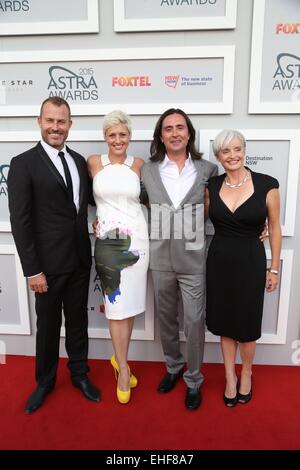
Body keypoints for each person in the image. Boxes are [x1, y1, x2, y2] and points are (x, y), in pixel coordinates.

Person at [7, 96, 100, 414]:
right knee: (47, 325)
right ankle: (45, 381)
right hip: (46, 265)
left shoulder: (78, 161)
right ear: (39, 121)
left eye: (62, 121)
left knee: (78, 321)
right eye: (50, 120)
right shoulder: (23, 164)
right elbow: (20, 222)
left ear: (70, 124)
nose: (56, 127)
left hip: (79, 259)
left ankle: (79, 374)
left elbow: (89, 204)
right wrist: (32, 270)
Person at [141, 108, 218, 410]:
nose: (174, 133)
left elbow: (222, 205)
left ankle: (194, 379)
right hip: (159, 255)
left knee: (195, 320)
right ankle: (173, 367)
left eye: (180, 127)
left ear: (189, 133)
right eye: (168, 128)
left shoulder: (207, 169)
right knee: (165, 319)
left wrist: (257, 227)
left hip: (193, 258)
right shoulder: (147, 170)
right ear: (161, 135)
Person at [205, 129, 281, 407]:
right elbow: (192, 220)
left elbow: (274, 228)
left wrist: (273, 269)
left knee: (247, 324)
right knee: (225, 321)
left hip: (251, 259)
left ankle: (246, 372)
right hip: (219, 260)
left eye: (237, 149)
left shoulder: (267, 185)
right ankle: (229, 376)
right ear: (218, 156)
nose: (232, 155)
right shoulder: (211, 186)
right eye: (226, 151)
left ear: (244, 150)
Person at [87, 110, 149, 404]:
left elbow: (156, 200)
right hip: (108, 245)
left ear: (129, 137)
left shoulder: (139, 164)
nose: (117, 140)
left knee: (131, 305)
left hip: (137, 240)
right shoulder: (92, 163)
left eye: (122, 135)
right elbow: (81, 200)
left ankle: (118, 360)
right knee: (115, 307)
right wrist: (92, 223)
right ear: (105, 137)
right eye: (112, 135)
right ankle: (123, 368)